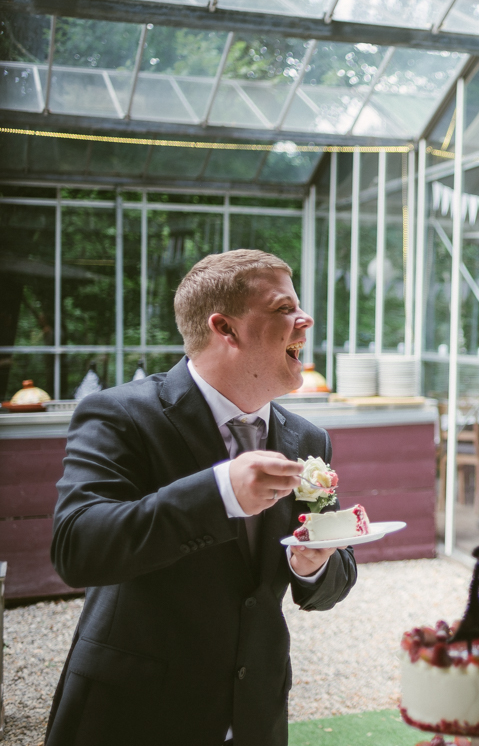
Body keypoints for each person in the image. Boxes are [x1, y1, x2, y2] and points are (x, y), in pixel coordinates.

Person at [46, 250, 358, 746]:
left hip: (256, 716)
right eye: (283, 309)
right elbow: (78, 548)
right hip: (133, 715)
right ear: (225, 329)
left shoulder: (307, 440)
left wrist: (313, 564)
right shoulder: (120, 415)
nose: (306, 320)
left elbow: (333, 582)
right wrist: (219, 493)